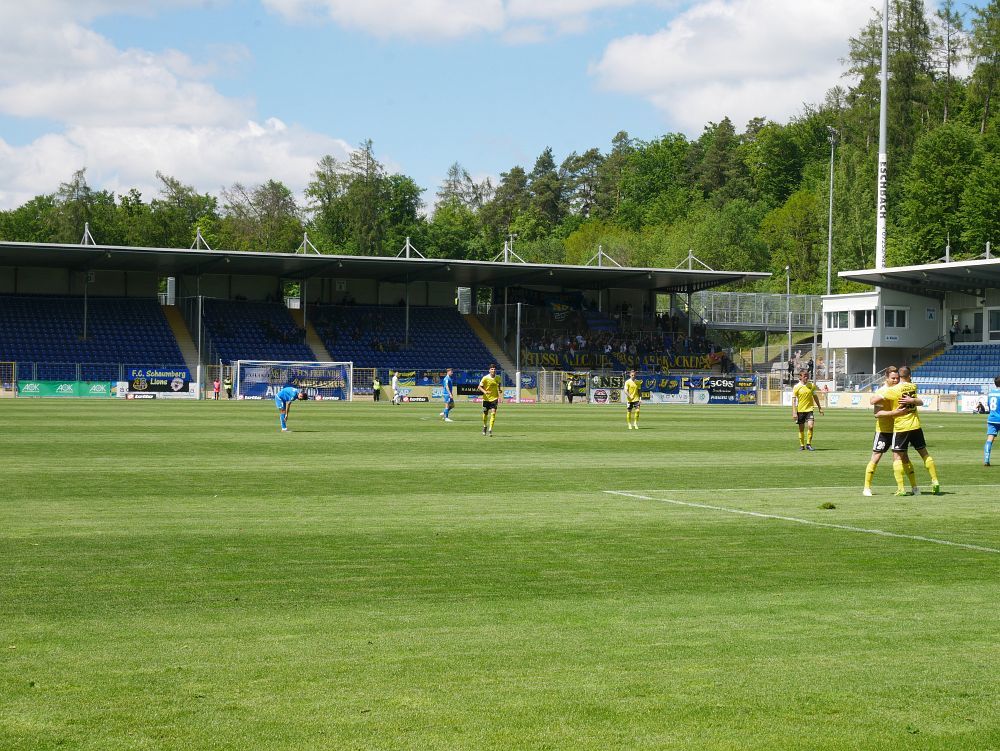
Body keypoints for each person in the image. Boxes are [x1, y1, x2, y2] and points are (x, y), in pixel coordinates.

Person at [888, 366, 941, 495]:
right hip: (916, 425)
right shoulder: (913, 386)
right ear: (910, 375)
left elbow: (876, 398)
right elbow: (919, 401)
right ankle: (935, 480)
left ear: (899, 376)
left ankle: (901, 489)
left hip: (901, 427)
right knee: (924, 453)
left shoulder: (894, 389)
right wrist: (912, 400)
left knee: (896, 457)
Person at [865, 367, 908, 495]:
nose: (895, 380)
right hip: (883, 431)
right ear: (887, 378)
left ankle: (909, 487)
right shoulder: (881, 392)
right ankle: (866, 487)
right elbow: (876, 414)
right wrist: (894, 413)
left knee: (904, 458)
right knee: (876, 457)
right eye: (893, 378)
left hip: (898, 430)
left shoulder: (900, 390)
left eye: (897, 378)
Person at [791, 368, 824, 451]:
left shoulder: (811, 386)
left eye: (807, 376)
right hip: (800, 410)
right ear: (800, 376)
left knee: (810, 426)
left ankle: (808, 444)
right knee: (801, 428)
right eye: (805, 376)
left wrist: (820, 408)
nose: (806, 377)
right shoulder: (796, 387)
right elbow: (794, 400)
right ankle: (802, 445)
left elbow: (815, 396)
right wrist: (794, 412)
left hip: (809, 409)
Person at [478, 364, 502, 436]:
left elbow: (499, 383)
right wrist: (485, 392)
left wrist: (499, 389)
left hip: (494, 398)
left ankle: (490, 429)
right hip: (486, 399)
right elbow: (479, 387)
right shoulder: (485, 378)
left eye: (494, 369)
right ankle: (485, 426)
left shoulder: (498, 377)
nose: (493, 370)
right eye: (492, 369)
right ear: (489, 370)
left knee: (493, 413)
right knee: (485, 413)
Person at [984, 376, 1000, 466]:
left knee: (989, 439)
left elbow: (989, 406)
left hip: (992, 419)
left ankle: (986, 459)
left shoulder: (990, 394)